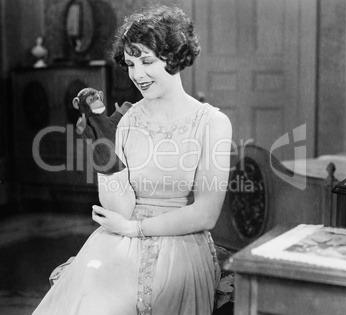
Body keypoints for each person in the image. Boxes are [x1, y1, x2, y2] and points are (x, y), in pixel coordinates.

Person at [32, 4, 232, 315]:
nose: (137, 74)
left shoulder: (212, 123)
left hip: (180, 246)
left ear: (175, 57)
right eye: (129, 63)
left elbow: (206, 214)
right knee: (88, 301)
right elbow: (119, 209)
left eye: (147, 61)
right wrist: (104, 150)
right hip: (118, 239)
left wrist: (134, 230)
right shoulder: (125, 121)